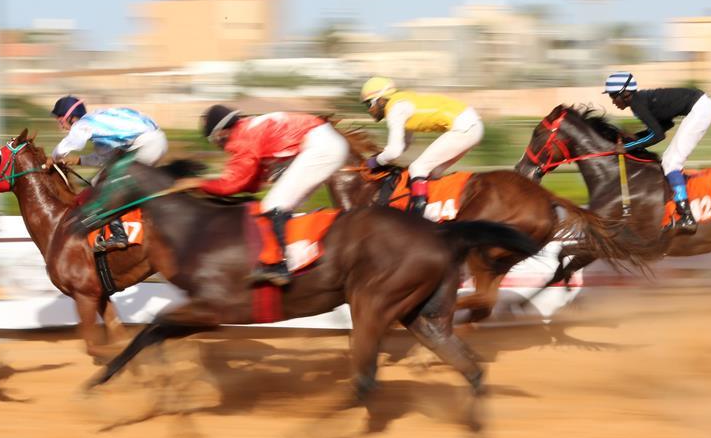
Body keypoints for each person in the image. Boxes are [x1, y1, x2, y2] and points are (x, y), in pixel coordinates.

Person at [172, 106, 349, 286]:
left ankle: (279, 266)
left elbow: (232, 184)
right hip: (325, 142)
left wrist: (198, 184)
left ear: (221, 133)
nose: (220, 147)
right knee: (282, 204)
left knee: (273, 205)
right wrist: (205, 186)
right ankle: (301, 253)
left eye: (216, 142)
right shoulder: (247, 128)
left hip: (321, 147)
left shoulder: (242, 138)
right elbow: (252, 183)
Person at [50, 96, 169, 250]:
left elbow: (69, 145)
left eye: (60, 119)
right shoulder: (98, 124)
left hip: (148, 144)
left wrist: (53, 158)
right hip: (154, 141)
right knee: (98, 179)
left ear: (72, 118)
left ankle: (119, 235)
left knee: (108, 185)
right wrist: (78, 161)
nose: (60, 125)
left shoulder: (83, 125)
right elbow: (103, 158)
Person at [604, 72, 711, 233]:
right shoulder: (639, 101)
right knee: (668, 160)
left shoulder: (638, 104)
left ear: (625, 93)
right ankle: (682, 209)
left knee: (671, 162)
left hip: (700, 109)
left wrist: (628, 147)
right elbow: (665, 126)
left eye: (613, 96)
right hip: (701, 106)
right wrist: (637, 138)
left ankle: (687, 217)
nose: (613, 102)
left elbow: (658, 135)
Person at [360, 77, 484, 216]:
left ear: (381, 100)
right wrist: (380, 157)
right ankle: (436, 211)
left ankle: (418, 213)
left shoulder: (395, 109)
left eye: (369, 104)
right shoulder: (402, 103)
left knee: (417, 168)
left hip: (464, 127)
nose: (369, 110)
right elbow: (404, 144)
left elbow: (395, 151)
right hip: (472, 125)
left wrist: (373, 162)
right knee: (434, 172)